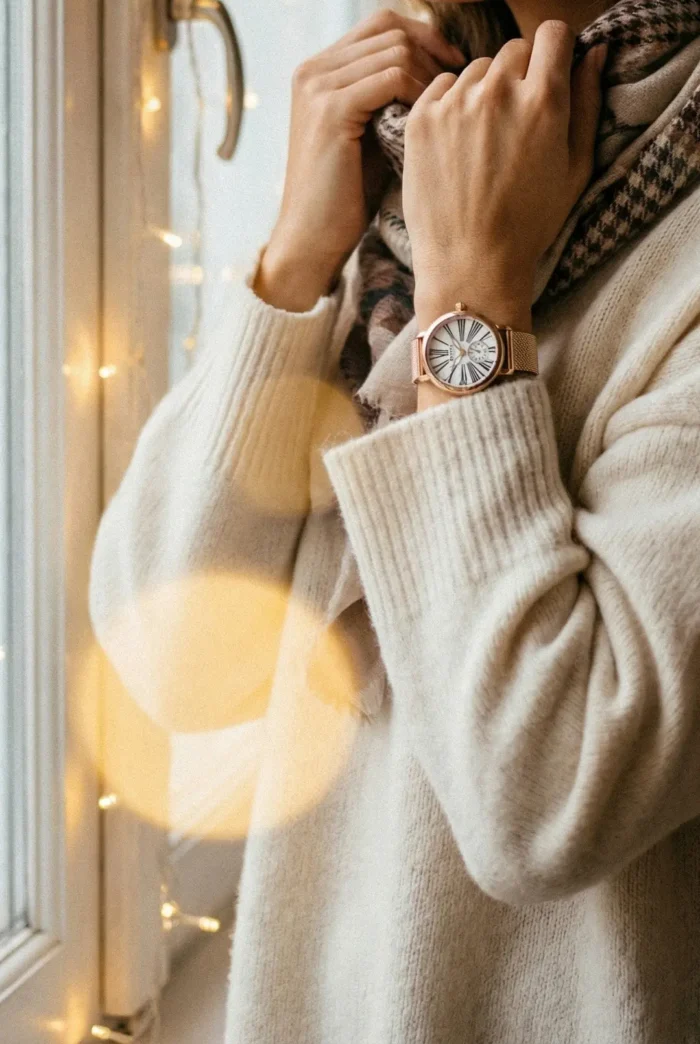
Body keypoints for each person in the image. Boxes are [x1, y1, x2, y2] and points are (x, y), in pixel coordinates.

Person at [89, 0, 700, 1040]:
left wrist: (471, 301)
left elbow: (547, 804)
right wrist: (293, 258)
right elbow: (175, 661)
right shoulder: (407, 151)